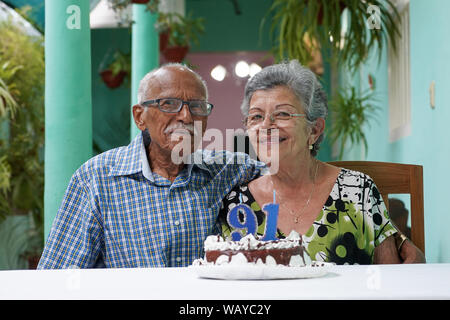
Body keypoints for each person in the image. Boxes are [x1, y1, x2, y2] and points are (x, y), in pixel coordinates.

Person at [37, 63, 265, 268]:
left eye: (197, 106)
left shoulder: (228, 170)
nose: (186, 116)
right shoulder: (97, 179)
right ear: (139, 117)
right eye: (169, 104)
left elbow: (287, 172)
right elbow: (56, 277)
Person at [217, 60, 425, 264]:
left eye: (282, 114)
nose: (266, 125)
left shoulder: (357, 190)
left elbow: (392, 280)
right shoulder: (236, 204)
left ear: (314, 130)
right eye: (256, 116)